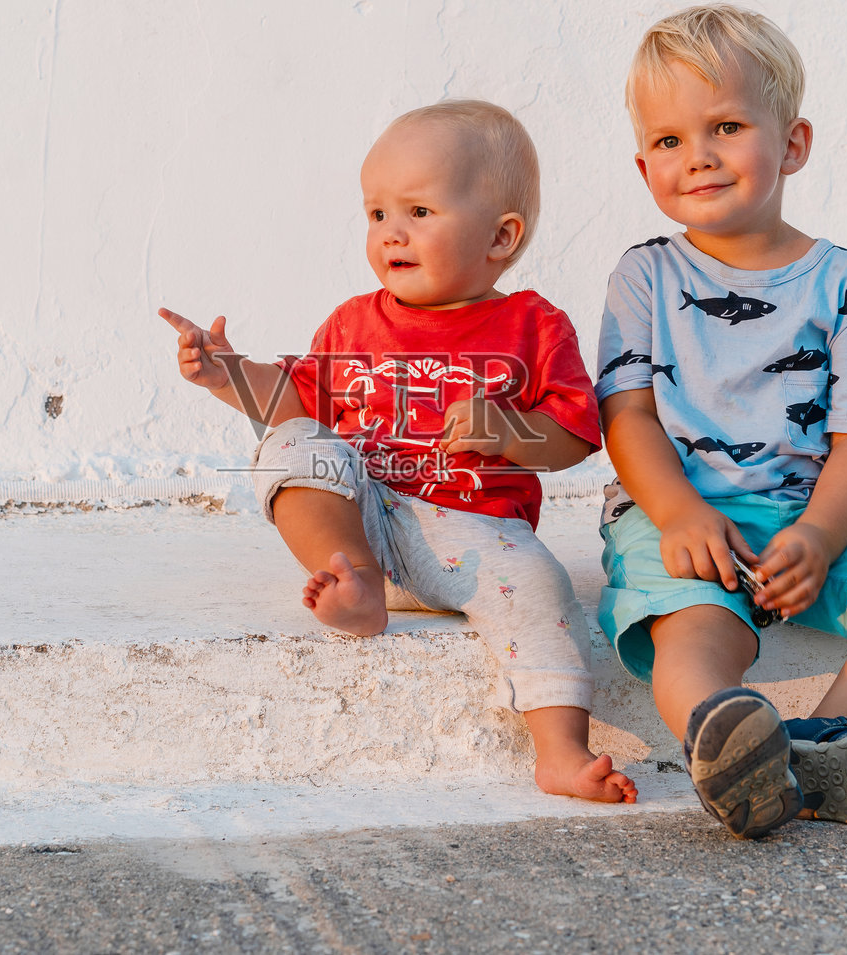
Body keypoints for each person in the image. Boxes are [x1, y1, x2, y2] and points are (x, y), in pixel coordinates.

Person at [159, 100, 636, 804]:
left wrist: (508, 430)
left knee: (542, 588)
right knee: (293, 444)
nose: (391, 234)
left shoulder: (533, 325)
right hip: (368, 522)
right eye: (377, 214)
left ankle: (560, 749)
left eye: (418, 211)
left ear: (501, 236)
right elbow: (297, 400)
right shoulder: (355, 322)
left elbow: (575, 435)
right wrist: (227, 373)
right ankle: (349, 580)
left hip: (476, 536)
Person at [595, 4, 847, 837]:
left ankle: (818, 747)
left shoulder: (845, 282)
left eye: (727, 125)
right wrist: (680, 512)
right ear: (643, 167)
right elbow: (627, 415)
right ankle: (739, 747)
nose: (696, 156)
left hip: (817, 514)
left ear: (793, 144)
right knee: (697, 633)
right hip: (681, 513)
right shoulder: (644, 277)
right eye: (668, 141)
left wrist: (817, 534)